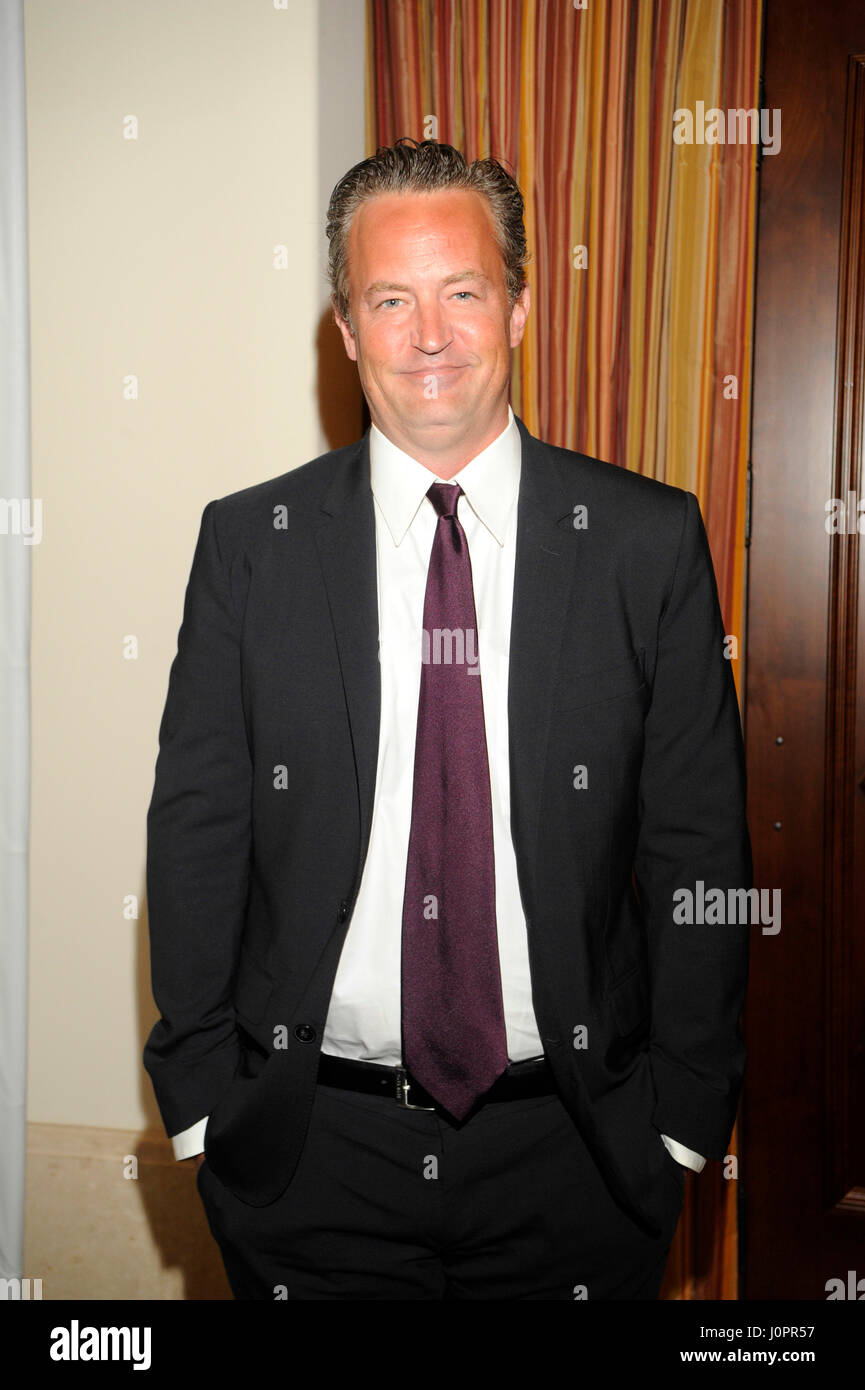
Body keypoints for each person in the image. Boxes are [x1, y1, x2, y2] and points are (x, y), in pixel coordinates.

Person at [143, 138, 751, 1300]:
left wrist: (682, 1121)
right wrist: (198, 1102)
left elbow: (697, 852)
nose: (429, 335)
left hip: (575, 1157)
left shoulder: (644, 543)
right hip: (308, 1161)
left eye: (462, 291)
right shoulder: (249, 548)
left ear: (519, 307)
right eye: (390, 299)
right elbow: (197, 833)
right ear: (346, 330)